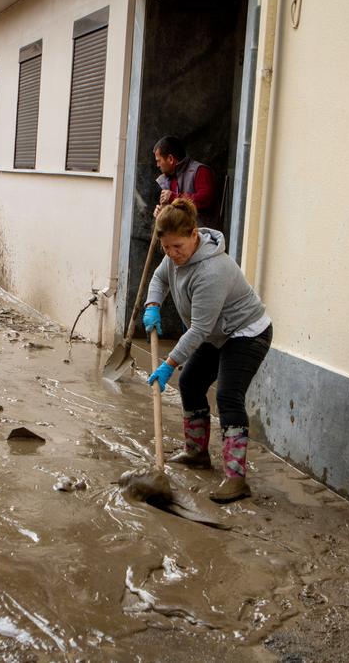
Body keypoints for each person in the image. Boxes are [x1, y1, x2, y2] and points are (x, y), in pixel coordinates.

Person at [143, 197, 272, 503]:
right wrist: (152, 305)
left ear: (194, 235)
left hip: (246, 333)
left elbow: (199, 329)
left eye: (179, 247)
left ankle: (235, 478)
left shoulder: (213, 270)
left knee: (228, 395)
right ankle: (197, 452)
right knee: (190, 382)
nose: (173, 254)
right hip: (216, 333)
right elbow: (160, 278)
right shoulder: (173, 257)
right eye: (167, 248)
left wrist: (168, 363)